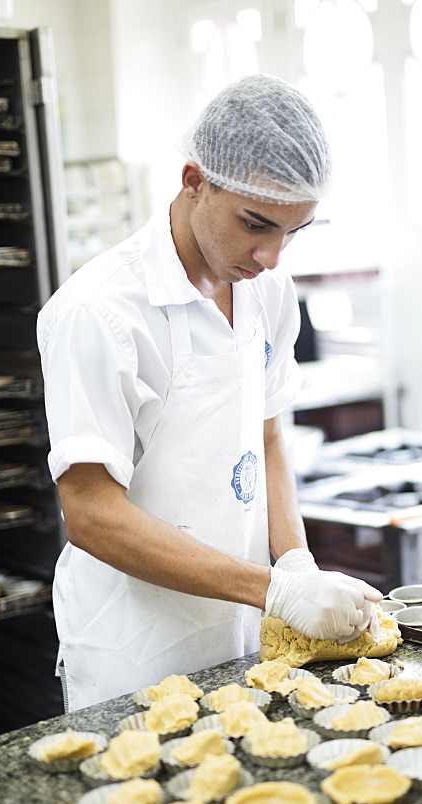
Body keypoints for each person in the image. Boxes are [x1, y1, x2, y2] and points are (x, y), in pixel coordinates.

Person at [37, 74, 381, 712]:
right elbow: (89, 514)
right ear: (195, 180)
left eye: (292, 232)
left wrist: (296, 561)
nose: (272, 255)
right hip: (135, 655)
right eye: (256, 224)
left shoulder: (267, 292)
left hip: (244, 641)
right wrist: (273, 589)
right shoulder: (101, 312)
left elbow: (268, 434)